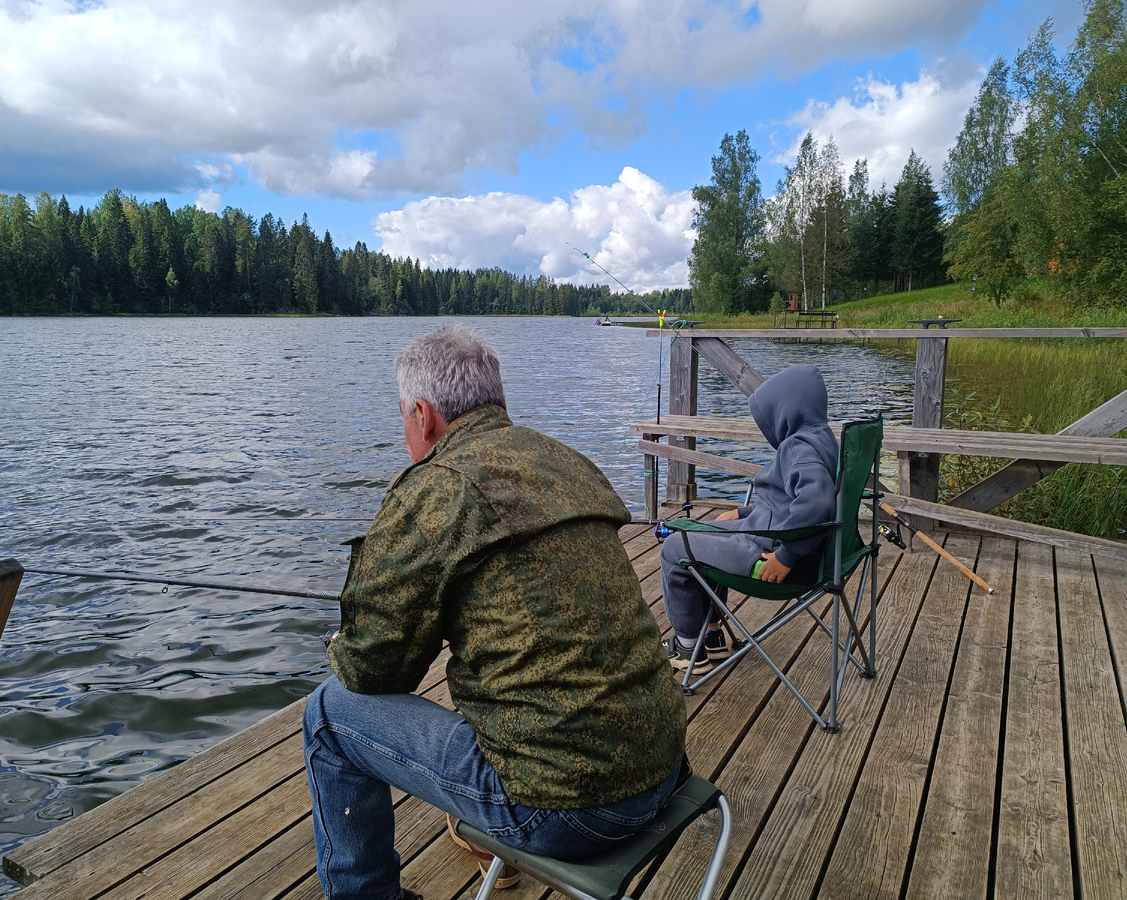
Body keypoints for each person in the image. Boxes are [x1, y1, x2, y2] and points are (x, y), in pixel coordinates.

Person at [303, 325, 687, 900]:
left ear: (423, 414)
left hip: (565, 811)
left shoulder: (435, 489)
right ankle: (478, 828)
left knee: (330, 713)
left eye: (403, 418)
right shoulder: (564, 461)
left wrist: (343, 644)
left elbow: (375, 673)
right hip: (663, 771)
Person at [660, 364, 839, 675]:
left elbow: (818, 503)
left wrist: (786, 555)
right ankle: (711, 635)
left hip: (777, 558)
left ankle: (688, 647)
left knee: (676, 547)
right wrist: (745, 513)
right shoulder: (820, 438)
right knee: (705, 530)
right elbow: (786, 502)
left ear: (786, 410)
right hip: (779, 540)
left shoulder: (799, 448)